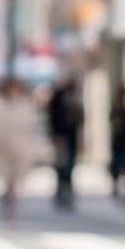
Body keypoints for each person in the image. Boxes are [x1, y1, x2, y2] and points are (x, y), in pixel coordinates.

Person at [0, 77, 42, 225]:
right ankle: (7, 210)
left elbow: (32, 129)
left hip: (21, 150)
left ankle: (11, 210)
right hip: (4, 150)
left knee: (15, 182)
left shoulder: (25, 107)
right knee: (7, 182)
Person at [47, 77, 84, 212]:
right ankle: (61, 192)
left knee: (70, 166)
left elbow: (81, 119)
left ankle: (67, 191)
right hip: (61, 138)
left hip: (72, 138)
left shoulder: (76, 99)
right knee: (61, 165)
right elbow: (52, 117)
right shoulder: (58, 98)